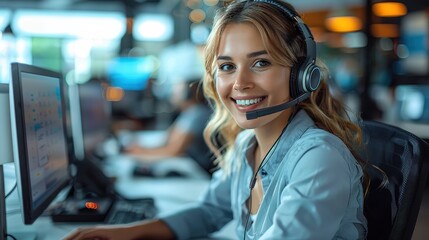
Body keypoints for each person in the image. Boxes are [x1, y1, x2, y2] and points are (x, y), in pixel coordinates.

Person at [63, 0, 369, 239]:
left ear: (302, 75)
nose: (240, 83)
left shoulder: (318, 158)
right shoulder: (247, 145)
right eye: (226, 67)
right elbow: (211, 211)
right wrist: (128, 231)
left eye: (260, 63)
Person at [124, 78, 214, 172]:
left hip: (200, 170)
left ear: (187, 94)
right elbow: (167, 141)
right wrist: (142, 150)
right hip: (190, 165)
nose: (173, 94)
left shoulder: (197, 114)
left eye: (178, 91)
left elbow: (174, 151)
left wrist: (141, 154)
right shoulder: (188, 113)